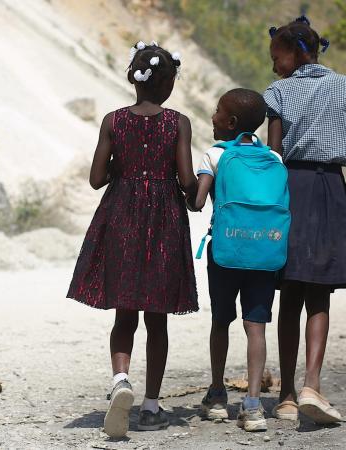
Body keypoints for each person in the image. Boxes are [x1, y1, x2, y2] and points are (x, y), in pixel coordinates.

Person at [66, 40, 198, 437]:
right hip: (163, 221)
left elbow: (95, 179)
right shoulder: (178, 123)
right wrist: (197, 190)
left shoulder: (113, 120)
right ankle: (153, 405)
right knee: (157, 317)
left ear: (133, 78)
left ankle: (120, 381)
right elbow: (186, 179)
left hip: (120, 215)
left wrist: (122, 171)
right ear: (169, 84)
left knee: (125, 313)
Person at [264, 16, 346, 424]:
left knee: (288, 294)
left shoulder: (279, 92)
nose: (275, 66)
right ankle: (313, 385)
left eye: (278, 58)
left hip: (290, 189)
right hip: (329, 190)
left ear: (296, 53)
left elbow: (274, 154)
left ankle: (287, 396)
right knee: (319, 293)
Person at [193, 88, 286, 432]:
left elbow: (198, 202)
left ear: (230, 122)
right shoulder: (274, 160)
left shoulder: (215, 155)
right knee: (256, 326)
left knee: (221, 321)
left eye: (217, 111)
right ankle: (253, 406)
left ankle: (217, 396)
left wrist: (187, 186)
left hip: (227, 253)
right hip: (266, 252)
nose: (212, 117)